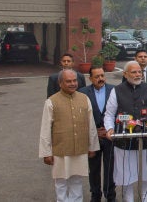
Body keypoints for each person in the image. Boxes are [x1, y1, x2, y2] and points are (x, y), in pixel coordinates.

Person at [104, 61, 147, 202]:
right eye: (134, 72)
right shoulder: (117, 90)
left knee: (146, 174)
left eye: (139, 71)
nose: (138, 74)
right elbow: (109, 114)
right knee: (126, 177)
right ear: (125, 74)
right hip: (124, 141)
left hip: (145, 138)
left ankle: (144, 199)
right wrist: (109, 129)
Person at [39, 69, 99, 202]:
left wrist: (92, 146)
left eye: (74, 80)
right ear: (60, 83)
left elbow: (91, 125)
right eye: (68, 81)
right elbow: (45, 129)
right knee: (61, 182)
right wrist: (46, 153)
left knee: (76, 180)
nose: (72, 84)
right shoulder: (51, 101)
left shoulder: (84, 99)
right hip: (60, 149)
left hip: (80, 148)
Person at [78, 67, 116, 202]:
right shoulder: (82, 93)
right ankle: (95, 195)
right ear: (90, 79)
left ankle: (110, 195)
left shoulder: (114, 90)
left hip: (109, 136)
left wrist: (110, 129)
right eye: (97, 76)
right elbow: (80, 117)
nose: (100, 79)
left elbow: (118, 113)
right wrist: (94, 131)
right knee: (93, 169)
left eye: (102, 75)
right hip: (92, 137)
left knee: (110, 168)